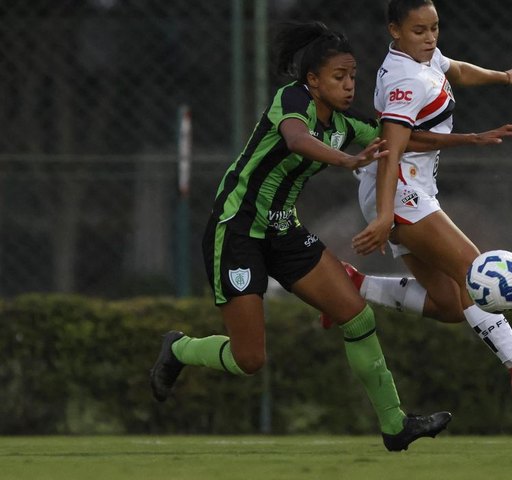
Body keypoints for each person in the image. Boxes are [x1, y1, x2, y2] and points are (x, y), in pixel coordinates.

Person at [149, 21, 459, 452]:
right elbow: (296, 140)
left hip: (284, 232)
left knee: (357, 316)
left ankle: (395, 425)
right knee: (249, 359)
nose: (349, 85)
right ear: (313, 80)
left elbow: (400, 138)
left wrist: (473, 139)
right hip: (237, 230)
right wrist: (346, 161)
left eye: (352, 76)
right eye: (338, 77)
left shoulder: (346, 124)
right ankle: (180, 349)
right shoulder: (292, 100)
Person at [348, 0, 512, 400]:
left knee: (449, 304)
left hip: (409, 190)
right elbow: (391, 150)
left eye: (434, 28)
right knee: (474, 271)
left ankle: (353, 286)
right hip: (398, 190)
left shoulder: (421, 58)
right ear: (395, 30)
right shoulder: (406, 80)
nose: (430, 37)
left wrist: (503, 76)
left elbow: (459, 70)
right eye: (419, 30)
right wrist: (384, 216)